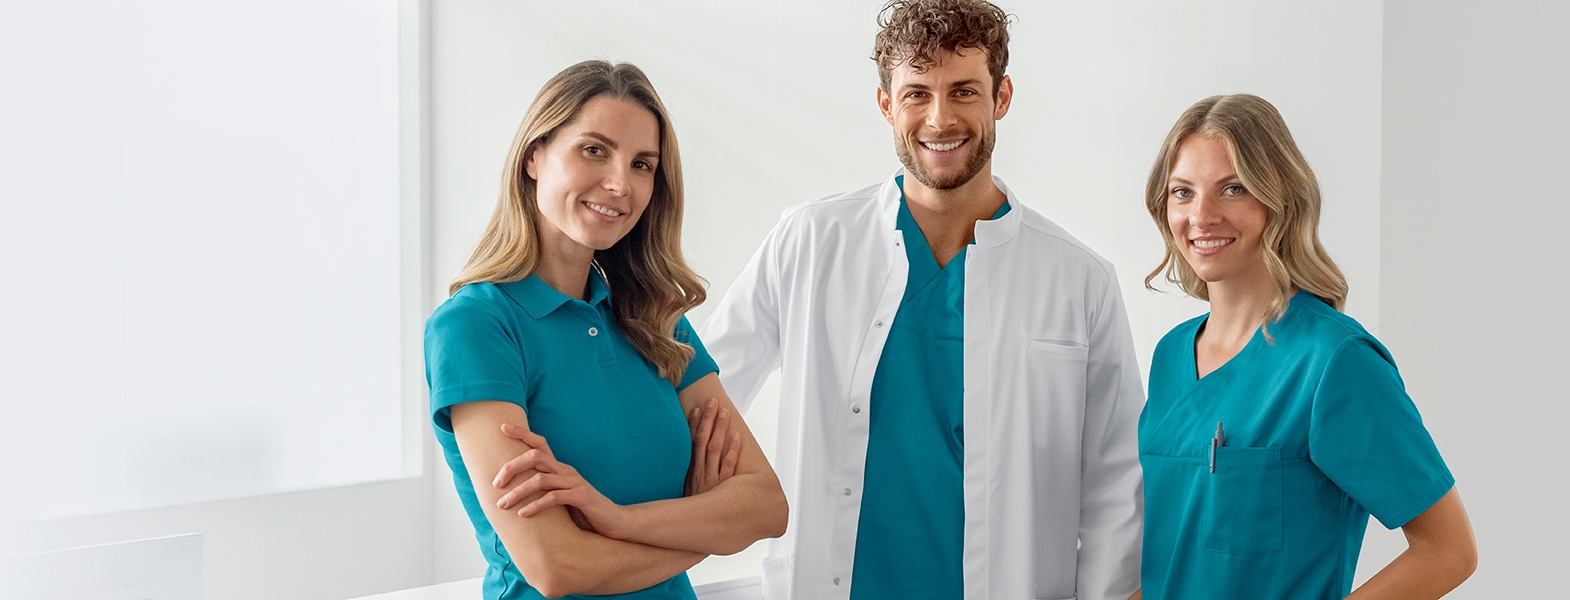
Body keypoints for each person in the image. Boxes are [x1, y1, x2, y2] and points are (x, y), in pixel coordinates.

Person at [701, 1, 1144, 598]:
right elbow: (706, 393)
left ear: (1002, 97)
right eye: (917, 94)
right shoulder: (809, 241)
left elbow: (1117, 484)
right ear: (886, 104)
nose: (940, 119)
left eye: (964, 91)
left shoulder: (1079, 280)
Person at [424, 60, 788, 600]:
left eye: (643, 164)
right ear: (534, 156)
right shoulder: (476, 326)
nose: (620, 183)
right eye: (594, 149)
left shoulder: (658, 317)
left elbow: (765, 506)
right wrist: (706, 526)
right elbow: (556, 567)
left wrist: (614, 519)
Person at [1136, 94, 1477, 599]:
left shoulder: (1334, 361)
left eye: (1232, 189)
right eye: (1182, 192)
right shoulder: (1171, 355)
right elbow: (1179, 553)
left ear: (1280, 200)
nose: (1201, 215)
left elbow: (1448, 550)